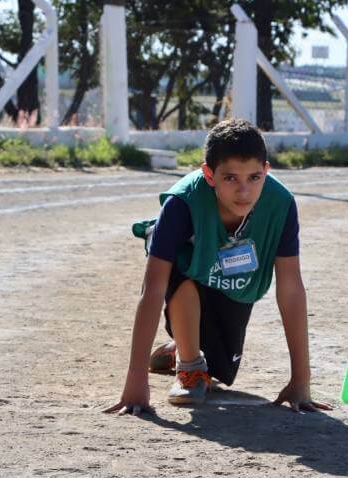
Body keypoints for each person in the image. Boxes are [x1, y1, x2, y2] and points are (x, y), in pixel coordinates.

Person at [105, 118, 331, 414]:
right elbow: (153, 289)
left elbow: (290, 289)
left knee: (223, 369)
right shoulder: (182, 203)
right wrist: (136, 380)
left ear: (266, 171)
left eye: (254, 177)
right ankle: (189, 365)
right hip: (190, 272)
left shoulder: (281, 204)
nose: (244, 191)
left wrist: (301, 379)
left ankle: (180, 345)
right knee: (177, 265)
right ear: (209, 175)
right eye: (230, 178)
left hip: (233, 283)